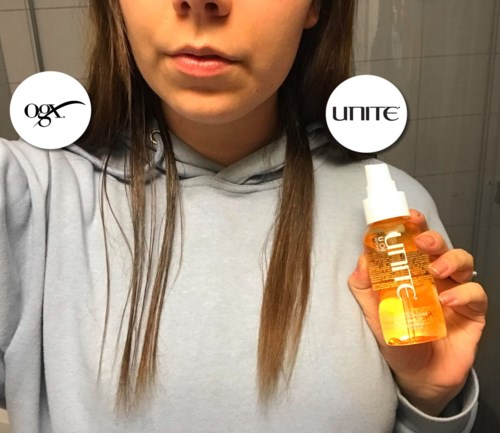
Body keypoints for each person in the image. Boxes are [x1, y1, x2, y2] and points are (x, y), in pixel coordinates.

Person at [0, 0, 487, 432]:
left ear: (314, 7)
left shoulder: (393, 216)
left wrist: (428, 398)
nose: (201, 2)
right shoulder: (26, 195)